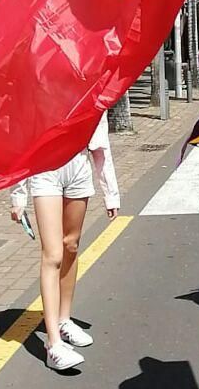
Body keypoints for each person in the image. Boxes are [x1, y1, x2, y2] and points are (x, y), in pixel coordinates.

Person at [11, 113, 120, 372]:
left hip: (78, 168)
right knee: (53, 254)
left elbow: (101, 145)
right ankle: (54, 344)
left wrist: (111, 194)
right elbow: (20, 141)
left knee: (71, 245)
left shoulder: (92, 90)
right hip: (44, 169)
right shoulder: (37, 88)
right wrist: (17, 195)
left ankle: (64, 320)